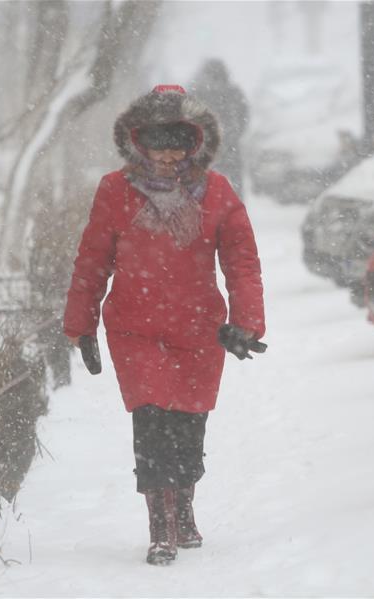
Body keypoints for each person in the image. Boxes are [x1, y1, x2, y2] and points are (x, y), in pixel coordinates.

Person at [63, 85, 266, 566]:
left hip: (199, 329)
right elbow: (93, 260)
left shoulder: (217, 192)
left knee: (188, 424)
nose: (168, 153)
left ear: (197, 143)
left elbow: (242, 260)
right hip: (135, 328)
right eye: (158, 141)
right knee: (152, 420)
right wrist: (81, 323)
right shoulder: (115, 191)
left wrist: (246, 323)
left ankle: (185, 507)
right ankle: (160, 525)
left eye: (179, 141)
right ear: (138, 141)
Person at [190, 59, 250, 195]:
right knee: (234, 185)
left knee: (205, 187)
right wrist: (235, 133)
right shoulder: (233, 93)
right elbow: (243, 116)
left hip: (208, 147)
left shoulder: (199, 93)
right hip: (228, 146)